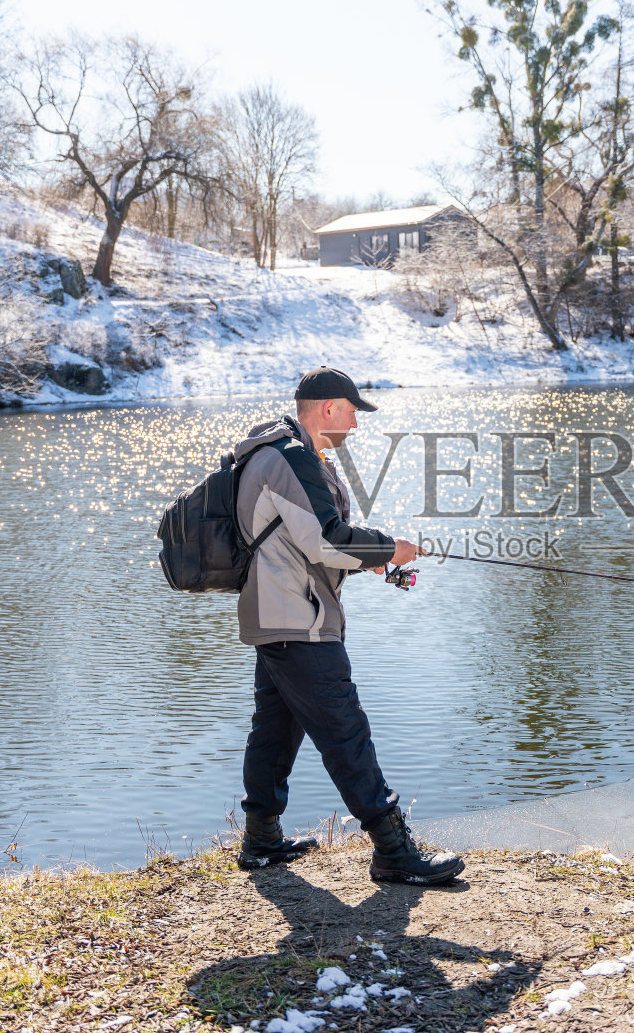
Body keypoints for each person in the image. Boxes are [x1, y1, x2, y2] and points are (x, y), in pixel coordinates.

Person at [229, 366, 465, 886]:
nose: (356, 424)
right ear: (329, 407)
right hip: (298, 618)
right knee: (345, 730)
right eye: (353, 411)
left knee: (275, 727)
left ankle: (261, 840)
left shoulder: (288, 455)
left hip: (281, 613)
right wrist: (389, 547)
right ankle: (392, 850)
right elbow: (327, 540)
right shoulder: (289, 458)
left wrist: (371, 561)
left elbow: (307, 541)